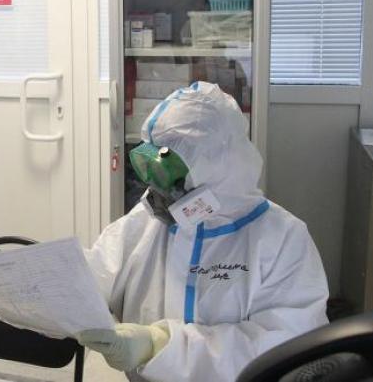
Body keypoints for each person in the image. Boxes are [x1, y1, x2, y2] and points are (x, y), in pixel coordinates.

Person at [79, 82, 328, 381]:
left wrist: (161, 344)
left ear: (217, 170)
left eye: (175, 178)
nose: (158, 192)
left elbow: (285, 349)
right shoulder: (148, 221)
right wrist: (66, 293)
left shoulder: (282, 239)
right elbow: (98, 271)